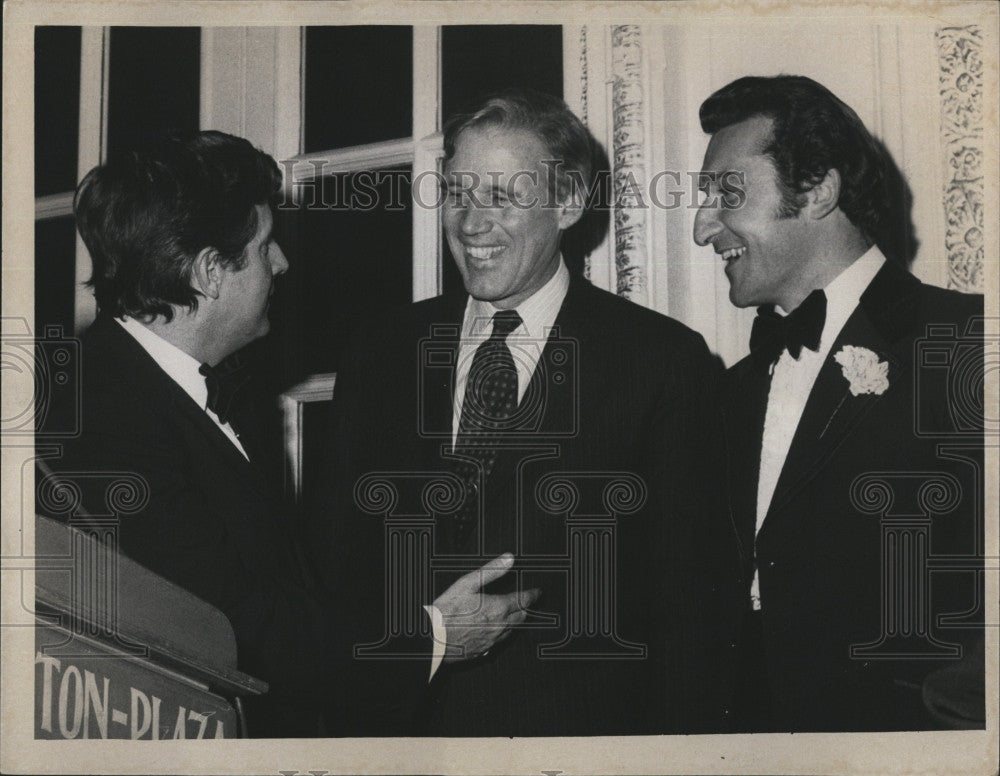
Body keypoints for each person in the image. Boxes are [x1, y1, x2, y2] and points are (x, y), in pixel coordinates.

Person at [41, 131, 515, 737]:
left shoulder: (197, 386)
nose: (282, 263)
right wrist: (437, 637)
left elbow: (278, 585)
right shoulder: (99, 415)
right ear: (211, 272)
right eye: (265, 246)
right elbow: (227, 624)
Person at [316, 89, 727, 736]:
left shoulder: (659, 361)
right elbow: (336, 568)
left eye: (502, 197)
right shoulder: (381, 351)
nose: (471, 223)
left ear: (568, 203)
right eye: (458, 193)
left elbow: (690, 613)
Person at [693, 75, 985, 732]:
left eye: (725, 192)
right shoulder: (734, 392)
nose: (701, 225)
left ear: (818, 188)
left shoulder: (968, 343)